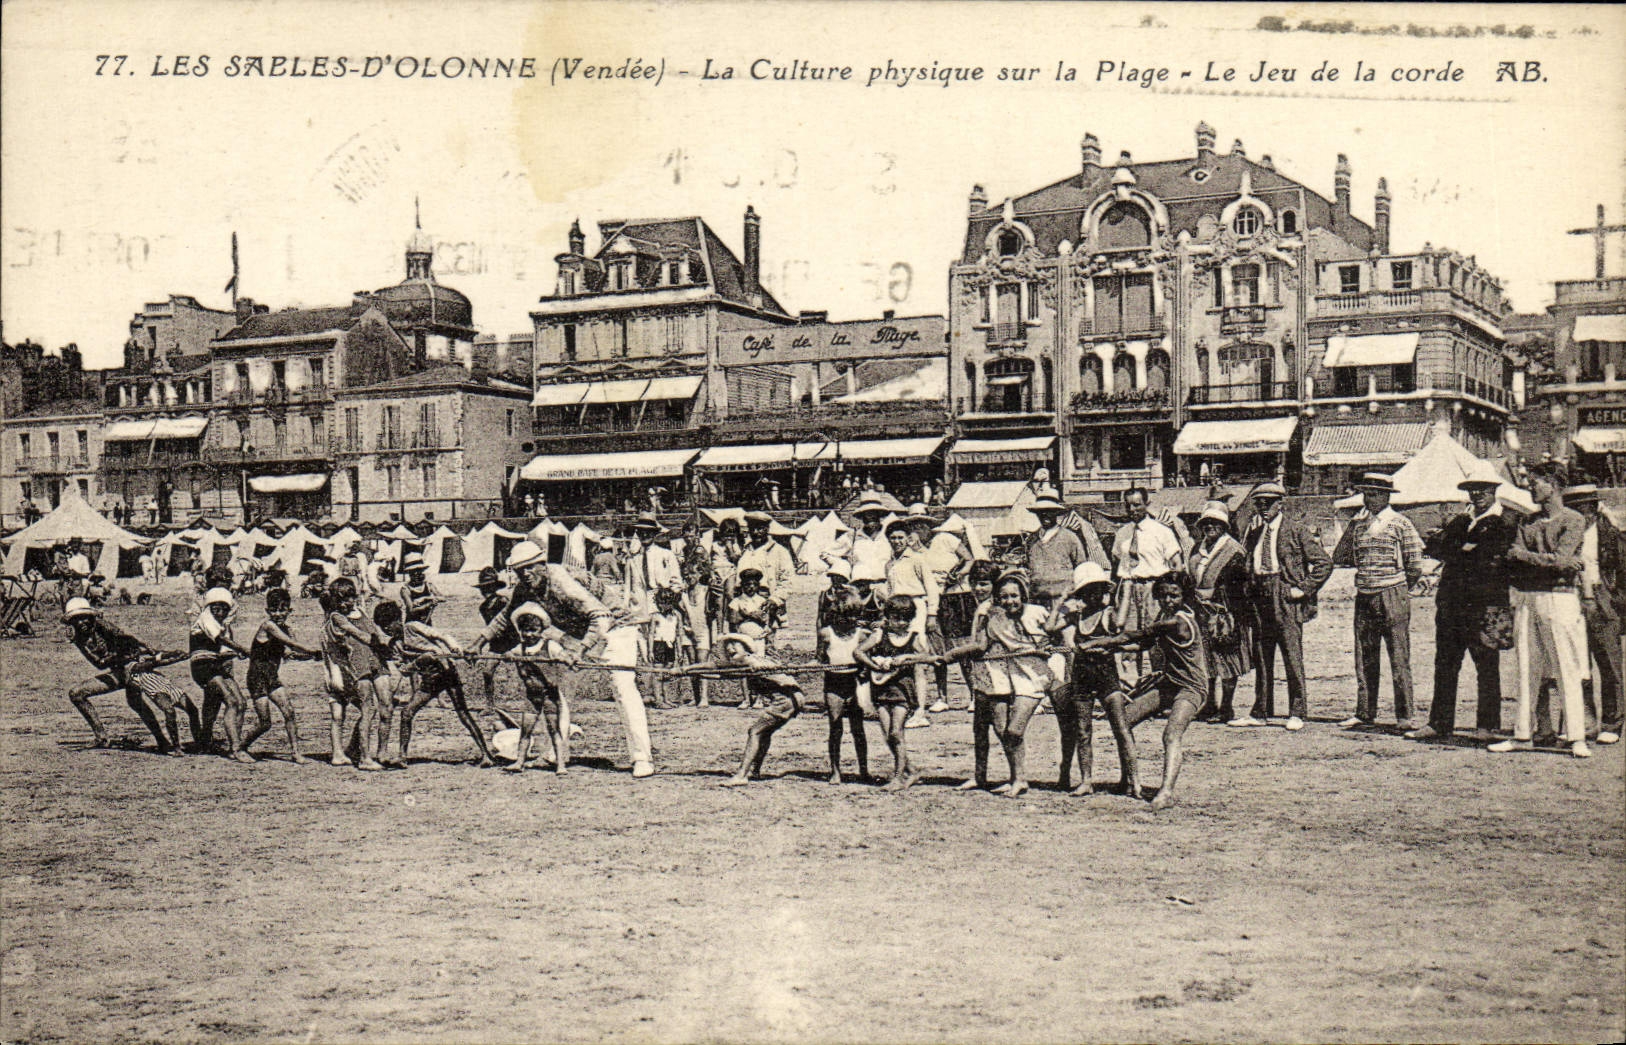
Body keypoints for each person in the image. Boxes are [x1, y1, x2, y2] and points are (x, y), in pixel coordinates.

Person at [470, 540, 655, 779]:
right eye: (519, 570)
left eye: (530, 567)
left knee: (622, 688)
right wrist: (478, 642)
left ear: (542, 564)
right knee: (557, 688)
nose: (525, 574)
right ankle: (556, 752)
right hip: (578, 633)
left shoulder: (561, 580)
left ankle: (642, 758)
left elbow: (601, 616)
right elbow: (505, 617)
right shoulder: (526, 587)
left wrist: (581, 650)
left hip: (615, 628)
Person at [1074, 574, 1208, 810]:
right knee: (1124, 721)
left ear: (1184, 596)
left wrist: (1099, 643)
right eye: (1163, 595)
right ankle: (1128, 780)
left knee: (1171, 734)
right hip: (1169, 683)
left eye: (1174, 595)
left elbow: (1135, 635)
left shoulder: (1178, 621)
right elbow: (1143, 644)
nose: (1168, 600)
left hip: (1191, 687)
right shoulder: (1164, 616)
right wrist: (1111, 650)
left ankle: (1166, 792)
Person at [1408, 473, 1517, 742]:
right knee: (1445, 664)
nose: (1477, 494)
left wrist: (1458, 550)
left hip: (1485, 605)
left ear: (1494, 490)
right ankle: (1439, 723)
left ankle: (1487, 726)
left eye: (1482, 490)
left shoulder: (1506, 520)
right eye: (1472, 490)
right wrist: (1462, 549)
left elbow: (1491, 559)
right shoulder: (1461, 520)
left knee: (1487, 667)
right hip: (1451, 604)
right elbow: (1438, 547)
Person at [1491, 466, 1591, 758]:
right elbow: (1517, 556)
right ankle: (1523, 735)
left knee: (1566, 669)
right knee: (1526, 669)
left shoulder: (1574, 519)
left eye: (1536, 484)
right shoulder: (1528, 521)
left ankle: (1576, 737)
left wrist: (1531, 558)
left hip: (1560, 600)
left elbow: (1561, 562)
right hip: (1527, 599)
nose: (1531, 489)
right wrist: (1551, 561)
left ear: (1553, 485)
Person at [943, 571, 1060, 798]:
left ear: (1023, 595)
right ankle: (1017, 779)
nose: (1010, 601)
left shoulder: (1037, 612)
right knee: (1006, 730)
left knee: (1013, 729)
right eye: (1004, 597)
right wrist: (952, 654)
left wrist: (1051, 647)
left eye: (1014, 596)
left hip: (1043, 675)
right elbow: (980, 645)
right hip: (1017, 677)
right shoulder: (995, 619)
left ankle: (1033, 778)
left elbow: (1057, 633)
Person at [1234, 481, 1331, 729]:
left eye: (1268, 503)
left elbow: (1323, 563)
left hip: (1285, 597)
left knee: (1291, 654)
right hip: (1260, 597)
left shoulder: (1296, 529)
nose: (1263, 508)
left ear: (1281, 503)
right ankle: (1261, 711)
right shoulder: (1255, 534)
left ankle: (1296, 712)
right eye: (1259, 503)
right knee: (1262, 656)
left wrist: (1303, 589)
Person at [1331, 473, 1424, 731]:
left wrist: (1399, 589)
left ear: (1386, 496)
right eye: (1366, 494)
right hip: (1364, 595)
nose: (1369, 499)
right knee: (1364, 657)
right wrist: (1351, 526)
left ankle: (1405, 716)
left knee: (1398, 656)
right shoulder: (1359, 525)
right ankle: (1364, 712)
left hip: (1392, 594)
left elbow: (1415, 566)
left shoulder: (1401, 524)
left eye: (1374, 494)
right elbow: (1340, 556)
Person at [1046, 562, 1139, 797]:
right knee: (1083, 730)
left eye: (1098, 590)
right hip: (1082, 677)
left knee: (1121, 727)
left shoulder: (1109, 614)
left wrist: (1123, 591)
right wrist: (1062, 599)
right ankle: (1086, 780)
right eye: (1088, 591)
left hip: (1106, 676)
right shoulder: (1076, 616)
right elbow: (1050, 627)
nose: (1093, 596)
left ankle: (1132, 780)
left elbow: (1120, 628)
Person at [63, 598, 192, 755]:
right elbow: (99, 663)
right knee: (78, 694)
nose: (81, 622)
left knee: (138, 703)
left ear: (91, 617)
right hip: (120, 670)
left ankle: (162, 741)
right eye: (76, 619)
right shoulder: (79, 637)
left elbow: (126, 640)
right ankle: (102, 737)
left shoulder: (101, 625)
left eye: (84, 617)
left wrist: (144, 653)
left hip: (132, 666)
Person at [396, 589, 495, 767]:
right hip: (429, 679)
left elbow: (441, 635)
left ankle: (486, 754)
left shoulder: (412, 626)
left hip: (446, 670)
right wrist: (414, 665)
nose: (390, 629)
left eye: (392, 624)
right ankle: (402, 757)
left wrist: (454, 647)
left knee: (463, 713)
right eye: (385, 628)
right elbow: (404, 670)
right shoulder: (395, 644)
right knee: (407, 712)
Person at [1564, 484, 1622, 745]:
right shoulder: (1565, 532)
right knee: (1576, 665)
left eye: (1585, 508)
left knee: (1609, 664)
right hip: (1568, 598)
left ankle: (1612, 722)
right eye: (1575, 508)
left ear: (1594, 508)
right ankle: (1585, 722)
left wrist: (1614, 602)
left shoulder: (1609, 535)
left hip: (1601, 598)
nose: (1581, 514)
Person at [1186, 502, 1252, 724]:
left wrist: (1216, 592)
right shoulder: (1198, 548)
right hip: (1201, 613)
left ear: (1224, 526)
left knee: (1226, 659)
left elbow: (1241, 583)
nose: (1210, 527)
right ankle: (1209, 704)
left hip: (1225, 613)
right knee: (1206, 660)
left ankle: (1226, 707)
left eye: (1216, 523)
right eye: (1206, 523)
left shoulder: (1233, 550)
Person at [856, 596, 931, 791]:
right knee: (888, 735)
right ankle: (911, 770)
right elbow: (859, 652)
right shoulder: (880, 635)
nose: (902, 623)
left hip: (902, 691)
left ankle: (898, 778)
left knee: (897, 733)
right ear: (888, 617)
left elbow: (926, 656)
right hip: (881, 689)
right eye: (897, 618)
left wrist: (906, 657)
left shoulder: (912, 637)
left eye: (906, 618)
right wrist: (875, 665)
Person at [1110, 487, 1185, 677]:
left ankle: (1161, 685)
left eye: (1137, 504)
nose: (1133, 509)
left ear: (1147, 504)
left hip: (1154, 589)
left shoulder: (1161, 531)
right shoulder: (1122, 533)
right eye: (1128, 506)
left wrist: (1169, 593)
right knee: (1127, 639)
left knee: (1156, 639)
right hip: (1128, 589)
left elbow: (1177, 564)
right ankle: (1132, 687)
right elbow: (1117, 563)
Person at [718, 633, 809, 787]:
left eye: (735, 645)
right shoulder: (749, 663)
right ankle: (755, 771)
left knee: (755, 732)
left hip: (786, 700)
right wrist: (686, 670)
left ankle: (741, 775)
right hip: (795, 698)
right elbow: (719, 672)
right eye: (728, 648)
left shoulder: (751, 662)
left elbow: (715, 667)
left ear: (746, 649)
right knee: (764, 732)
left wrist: (684, 668)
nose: (730, 649)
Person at [241, 587, 319, 763]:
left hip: (271, 678)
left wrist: (315, 656)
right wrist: (313, 651)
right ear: (268, 611)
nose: (278, 613)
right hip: (257, 678)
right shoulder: (268, 626)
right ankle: (240, 747)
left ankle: (295, 752)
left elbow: (293, 652)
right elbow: (292, 644)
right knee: (265, 723)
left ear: (289, 610)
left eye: (282, 609)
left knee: (289, 712)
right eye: (274, 610)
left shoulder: (286, 629)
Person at [947, 561, 1003, 791]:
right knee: (979, 727)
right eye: (974, 583)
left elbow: (980, 645)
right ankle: (980, 775)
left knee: (1001, 727)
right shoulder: (981, 607)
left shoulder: (989, 609)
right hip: (981, 672)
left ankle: (1015, 776)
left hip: (995, 672)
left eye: (984, 584)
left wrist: (952, 654)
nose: (978, 588)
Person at [322, 577, 386, 771]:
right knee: (365, 709)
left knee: (363, 710)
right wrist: (382, 643)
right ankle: (364, 757)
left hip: (355, 668)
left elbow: (374, 630)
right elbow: (360, 634)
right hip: (348, 671)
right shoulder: (336, 617)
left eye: (349, 599)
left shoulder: (360, 611)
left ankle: (348, 750)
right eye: (340, 600)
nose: (345, 604)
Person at [883, 513, 939, 727]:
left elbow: (931, 587)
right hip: (896, 612)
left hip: (916, 608)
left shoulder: (917, 559)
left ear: (908, 539)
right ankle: (904, 704)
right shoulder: (889, 564)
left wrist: (932, 614)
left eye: (900, 537)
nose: (896, 541)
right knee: (898, 657)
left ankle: (921, 711)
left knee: (917, 659)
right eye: (893, 538)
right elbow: (890, 592)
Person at [503, 603, 569, 775]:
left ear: (541, 630)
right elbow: (510, 654)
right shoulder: (521, 648)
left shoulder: (550, 646)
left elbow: (563, 655)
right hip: (532, 697)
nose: (529, 634)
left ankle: (561, 764)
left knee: (554, 730)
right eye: (525, 630)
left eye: (533, 630)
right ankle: (519, 762)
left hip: (549, 695)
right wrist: (509, 656)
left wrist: (566, 659)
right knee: (525, 730)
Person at [190, 587, 253, 761]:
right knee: (231, 701)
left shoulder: (224, 626)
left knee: (241, 702)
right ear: (209, 607)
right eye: (216, 607)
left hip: (216, 666)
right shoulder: (205, 618)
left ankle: (228, 742)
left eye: (224, 608)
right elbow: (220, 640)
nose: (220, 611)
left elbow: (224, 651)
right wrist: (241, 648)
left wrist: (238, 653)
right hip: (202, 666)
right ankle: (236, 748)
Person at [818, 582, 871, 785]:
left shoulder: (862, 635)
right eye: (844, 616)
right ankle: (835, 770)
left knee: (858, 728)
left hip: (854, 683)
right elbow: (821, 658)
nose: (848, 621)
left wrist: (865, 672)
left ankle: (864, 770)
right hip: (834, 683)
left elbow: (868, 660)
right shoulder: (826, 633)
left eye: (853, 616)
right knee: (835, 726)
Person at [922, 515, 974, 713]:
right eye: (913, 526)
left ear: (929, 526)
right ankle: (942, 697)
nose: (918, 530)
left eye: (921, 525)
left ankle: (974, 695)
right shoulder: (915, 549)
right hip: (932, 601)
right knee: (937, 650)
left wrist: (959, 574)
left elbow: (969, 559)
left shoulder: (944, 538)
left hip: (956, 596)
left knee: (962, 648)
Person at [1025, 494, 1109, 608]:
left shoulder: (1070, 538)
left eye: (1049, 511)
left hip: (1065, 601)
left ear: (1056, 513)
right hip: (1038, 601)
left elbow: (1081, 568)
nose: (1045, 514)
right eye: (1041, 511)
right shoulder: (1031, 540)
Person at [737, 511, 795, 608]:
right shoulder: (743, 551)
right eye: (752, 529)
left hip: (767, 600)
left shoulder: (779, 551)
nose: (755, 532)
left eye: (760, 528)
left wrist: (775, 600)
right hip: (743, 601)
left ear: (767, 529)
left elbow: (788, 580)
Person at [474, 567, 510, 710]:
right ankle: (490, 705)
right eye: (483, 588)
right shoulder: (483, 607)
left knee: (526, 670)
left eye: (489, 587)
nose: (486, 591)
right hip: (496, 645)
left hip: (512, 642)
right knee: (487, 671)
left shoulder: (503, 602)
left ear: (495, 587)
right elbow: (490, 628)